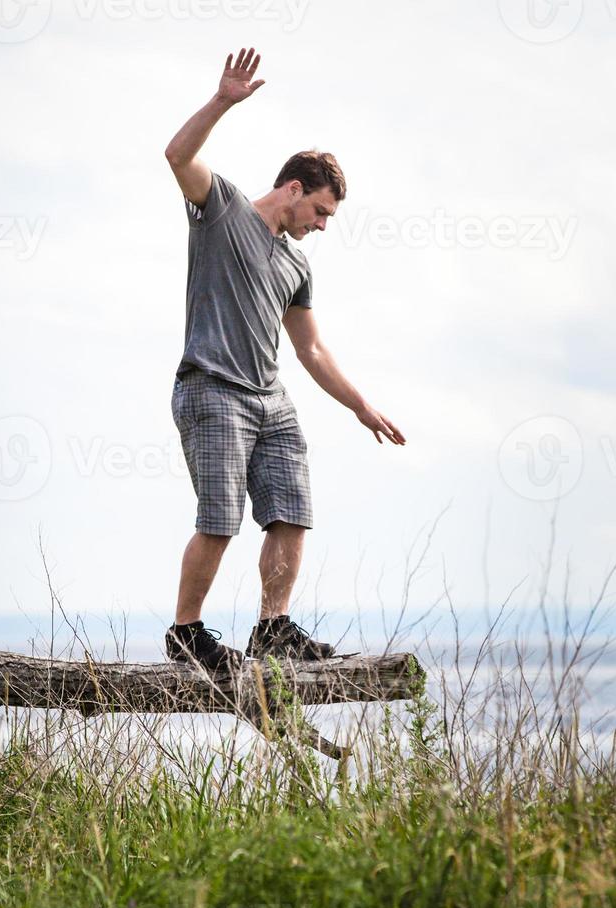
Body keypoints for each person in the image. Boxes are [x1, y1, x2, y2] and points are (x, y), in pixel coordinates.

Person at [162, 47, 406, 670]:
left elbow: (312, 348)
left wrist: (362, 407)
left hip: (269, 398)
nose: (323, 225)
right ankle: (185, 633)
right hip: (213, 388)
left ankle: (272, 630)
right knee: (220, 520)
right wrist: (223, 101)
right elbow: (177, 156)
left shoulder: (297, 266)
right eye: (321, 210)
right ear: (294, 189)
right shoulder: (223, 210)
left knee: (292, 511)